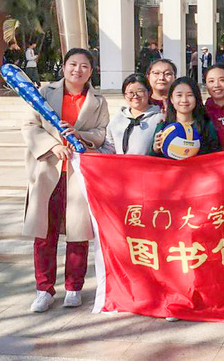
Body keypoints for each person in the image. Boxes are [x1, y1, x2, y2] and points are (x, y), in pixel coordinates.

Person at [22, 48, 109, 313]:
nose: (77, 70)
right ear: (64, 66)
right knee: (44, 234)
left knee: (78, 233)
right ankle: (44, 289)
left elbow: (101, 133)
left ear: (91, 71)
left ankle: (74, 287)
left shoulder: (98, 101)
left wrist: (80, 135)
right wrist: (52, 145)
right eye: (73, 64)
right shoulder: (45, 93)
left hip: (78, 174)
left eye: (84, 66)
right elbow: (30, 126)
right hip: (48, 171)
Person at [152, 77, 220, 157]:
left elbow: (216, 157)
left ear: (196, 98)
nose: (184, 100)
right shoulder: (162, 127)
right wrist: (155, 149)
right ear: (171, 99)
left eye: (189, 95)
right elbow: (152, 160)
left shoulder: (207, 126)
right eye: (179, 95)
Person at [100, 74, 163, 155]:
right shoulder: (116, 121)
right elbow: (109, 149)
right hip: (122, 163)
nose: (135, 96)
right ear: (125, 95)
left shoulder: (160, 118)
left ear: (149, 92)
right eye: (130, 92)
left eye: (140, 91)